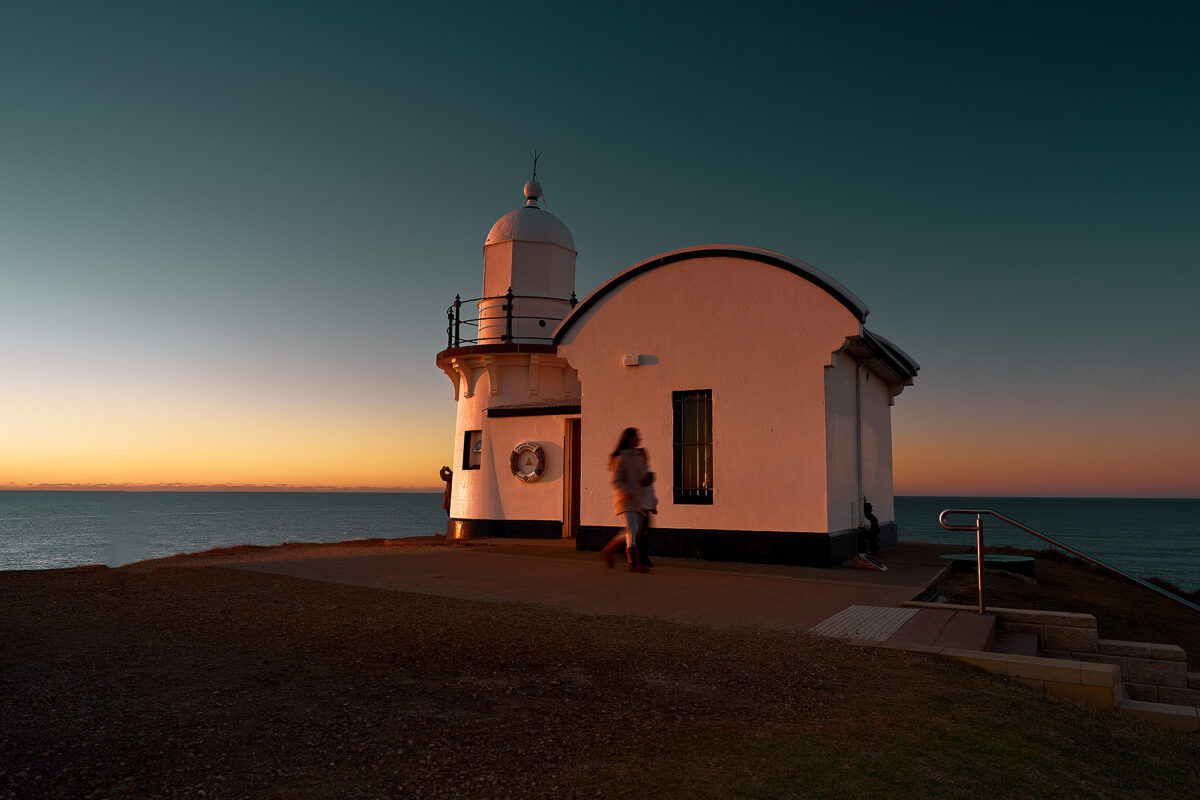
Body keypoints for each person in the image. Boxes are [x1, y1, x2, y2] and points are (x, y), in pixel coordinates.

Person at [599, 427, 650, 573]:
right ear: (628, 438)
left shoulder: (638, 457)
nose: (638, 440)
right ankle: (634, 563)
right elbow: (616, 481)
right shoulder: (621, 458)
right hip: (625, 501)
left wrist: (646, 480)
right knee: (632, 529)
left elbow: (641, 478)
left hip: (637, 501)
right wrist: (629, 492)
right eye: (636, 437)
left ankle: (609, 550)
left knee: (632, 530)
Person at [638, 471, 658, 568]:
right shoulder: (642, 488)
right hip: (641, 513)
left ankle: (643, 558)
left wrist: (653, 507)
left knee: (643, 537)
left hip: (646, 513)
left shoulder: (649, 488)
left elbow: (652, 498)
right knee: (641, 538)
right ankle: (642, 559)